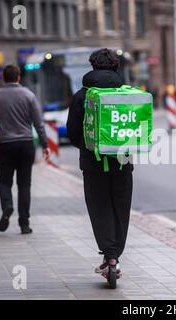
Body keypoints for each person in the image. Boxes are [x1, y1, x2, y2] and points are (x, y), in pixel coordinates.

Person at [67, 48, 134, 279]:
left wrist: (89, 148)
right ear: (116, 67)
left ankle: (110, 256)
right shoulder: (126, 94)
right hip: (122, 162)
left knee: (99, 208)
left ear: (92, 66)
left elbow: (73, 132)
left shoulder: (82, 95)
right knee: (120, 209)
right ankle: (114, 255)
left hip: (93, 165)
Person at [0, 65, 51, 235]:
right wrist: (45, 145)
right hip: (26, 144)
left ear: (4, 78)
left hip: (6, 145)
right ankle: (24, 224)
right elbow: (39, 123)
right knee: (24, 184)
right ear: (19, 77)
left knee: (4, 182)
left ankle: (7, 205)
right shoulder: (29, 96)